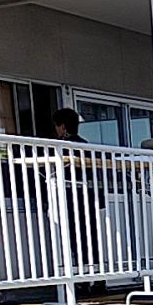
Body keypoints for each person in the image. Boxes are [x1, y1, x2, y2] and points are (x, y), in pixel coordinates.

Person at [53, 108, 105, 278]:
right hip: (89, 198)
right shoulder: (85, 146)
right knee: (92, 238)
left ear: (62, 126)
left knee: (75, 240)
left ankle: (81, 278)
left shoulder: (61, 148)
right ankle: (97, 278)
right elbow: (96, 175)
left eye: (57, 126)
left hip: (70, 199)